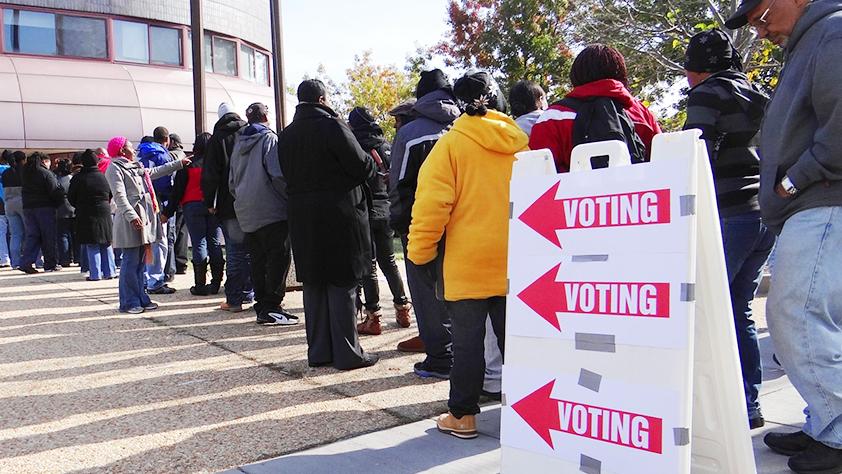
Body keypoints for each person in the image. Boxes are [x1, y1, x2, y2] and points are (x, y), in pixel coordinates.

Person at [726, 0, 842, 471]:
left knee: (796, 314)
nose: (760, 29)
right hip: (811, 202)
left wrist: (795, 178)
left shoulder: (831, 33)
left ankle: (835, 433)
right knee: (817, 321)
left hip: (822, 200)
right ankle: (824, 423)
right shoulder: (810, 41)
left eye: (762, 15)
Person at [409, 70, 528, 439]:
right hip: (517, 263)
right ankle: (529, 414)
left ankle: (462, 416)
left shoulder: (450, 146)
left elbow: (432, 207)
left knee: (467, 345)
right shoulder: (521, 145)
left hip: (466, 264)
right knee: (519, 343)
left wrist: (420, 253)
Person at [682, 29, 773, 431]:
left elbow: (691, 151)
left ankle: (712, 413)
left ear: (696, 70)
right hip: (763, 215)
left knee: (704, 311)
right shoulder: (757, 95)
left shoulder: (707, 95)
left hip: (727, 213)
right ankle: (748, 405)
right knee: (739, 311)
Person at [279, 79, 379, 370]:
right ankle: (348, 353)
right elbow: (361, 166)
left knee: (314, 282)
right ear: (322, 99)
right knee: (341, 281)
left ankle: (319, 351)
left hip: (302, 214)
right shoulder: (333, 126)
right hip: (339, 213)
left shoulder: (286, 135)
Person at [389, 69, 461, 378]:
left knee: (426, 290)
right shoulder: (465, 125)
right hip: (464, 222)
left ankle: (441, 357)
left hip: (423, 221)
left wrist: (401, 223)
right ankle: (467, 355)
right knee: (462, 291)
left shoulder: (411, 132)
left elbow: (399, 182)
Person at [529, 44, 661, 172]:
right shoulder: (641, 113)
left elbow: (538, 174)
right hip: (640, 193)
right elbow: (662, 162)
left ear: (576, 74)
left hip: (574, 194)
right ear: (620, 73)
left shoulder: (553, 117)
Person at [228, 103, 298, 325]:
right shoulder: (270, 139)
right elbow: (277, 174)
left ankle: (262, 305)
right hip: (272, 208)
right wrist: (289, 198)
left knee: (257, 260)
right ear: (266, 115)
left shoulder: (238, 144)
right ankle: (272, 305)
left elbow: (231, 181)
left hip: (246, 211)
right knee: (278, 257)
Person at [348, 106, 412, 335]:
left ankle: (373, 317)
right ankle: (402, 308)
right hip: (386, 209)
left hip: (364, 210)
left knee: (369, 266)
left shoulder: (353, 146)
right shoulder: (386, 145)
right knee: (389, 262)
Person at [106, 136, 187, 314]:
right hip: (131, 220)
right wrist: (131, 216)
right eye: (130, 147)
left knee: (141, 262)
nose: (134, 150)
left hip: (145, 218)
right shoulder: (115, 168)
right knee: (130, 261)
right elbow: (120, 197)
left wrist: (179, 163)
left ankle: (141, 298)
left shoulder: (136, 166)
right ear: (121, 151)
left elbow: (156, 171)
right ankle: (128, 302)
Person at [203, 103, 253, 312]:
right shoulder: (249, 132)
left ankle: (234, 300)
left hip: (227, 202)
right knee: (251, 250)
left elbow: (210, 174)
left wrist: (210, 202)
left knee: (234, 250)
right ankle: (249, 292)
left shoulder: (217, 139)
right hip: (251, 200)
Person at [162, 133, 224, 296]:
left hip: (191, 205)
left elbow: (178, 191)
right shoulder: (216, 164)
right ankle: (216, 282)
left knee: (199, 243)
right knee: (214, 242)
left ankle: (200, 284)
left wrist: (167, 213)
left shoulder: (188, 164)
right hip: (213, 206)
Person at [137, 126, 177, 294]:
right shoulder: (162, 155)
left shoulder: (139, 154)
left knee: (146, 241)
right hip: (158, 201)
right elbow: (166, 181)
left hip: (141, 200)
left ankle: (145, 279)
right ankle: (155, 280)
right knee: (160, 241)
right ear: (166, 140)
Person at [68, 150, 115, 281]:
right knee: (106, 242)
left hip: (85, 212)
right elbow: (110, 194)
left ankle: (95, 274)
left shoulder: (78, 178)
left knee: (91, 243)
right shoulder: (103, 176)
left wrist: (79, 204)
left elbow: (71, 197)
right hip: (104, 211)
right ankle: (110, 271)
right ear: (97, 161)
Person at [20, 152, 64, 274]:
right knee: (48, 236)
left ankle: (26, 262)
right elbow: (55, 190)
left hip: (28, 208)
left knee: (32, 236)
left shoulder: (26, 173)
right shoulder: (45, 173)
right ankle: (51, 264)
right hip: (45, 208)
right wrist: (59, 202)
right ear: (44, 161)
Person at [168, 133, 190, 276]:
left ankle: (173, 263)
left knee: (173, 231)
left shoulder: (170, 156)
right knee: (183, 231)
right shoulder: (183, 154)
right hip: (186, 198)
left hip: (174, 196)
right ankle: (182, 262)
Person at [3, 151, 26, 269]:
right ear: (23, 159)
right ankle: (30, 260)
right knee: (30, 233)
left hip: (8, 203)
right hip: (23, 202)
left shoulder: (6, 173)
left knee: (15, 234)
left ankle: (15, 262)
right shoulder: (25, 171)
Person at [54, 159, 76, 268]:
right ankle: (78, 257)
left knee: (62, 235)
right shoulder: (72, 178)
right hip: (73, 208)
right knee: (75, 235)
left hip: (60, 209)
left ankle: (64, 259)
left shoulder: (56, 179)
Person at [0, 151, 10, 268]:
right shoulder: (16, 170)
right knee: (18, 232)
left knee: (1, 233)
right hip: (15, 202)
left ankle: (4, 259)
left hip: (0, 204)